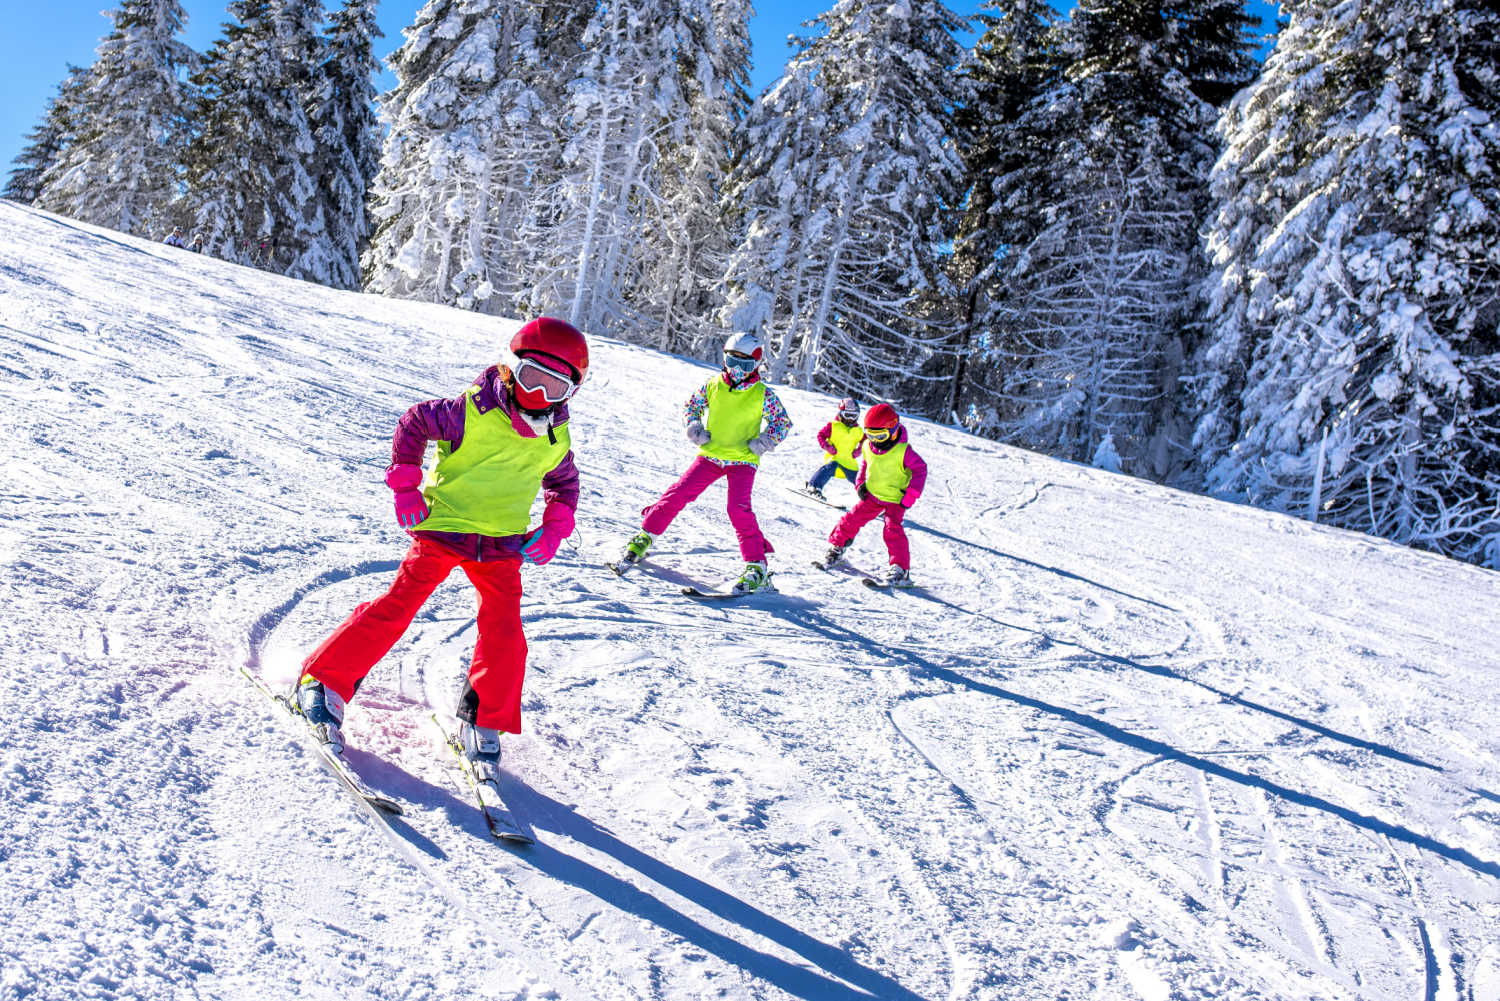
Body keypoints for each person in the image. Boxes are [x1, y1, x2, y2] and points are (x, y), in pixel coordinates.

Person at [291, 317, 589, 779]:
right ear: (511, 367)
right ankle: (322, 680)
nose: (540, 395)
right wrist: (406, 483)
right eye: (533, 377)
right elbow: (414, 422)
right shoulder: (469, 410)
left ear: (570, 394)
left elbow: (564, 482)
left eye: (556, 388)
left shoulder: (555, 436)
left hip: (502, 544)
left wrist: (555, 524)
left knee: (506, 631)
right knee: (398, 605)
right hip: (443, 528)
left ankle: (484, 718)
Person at [617, 331, 791, 593]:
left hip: (743, 461)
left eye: (743, 365)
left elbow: (782, 422)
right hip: (711, 455)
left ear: (755, 364)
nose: (735, 370)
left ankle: (757, 567)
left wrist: (764, 441)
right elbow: (692, 405)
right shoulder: (713, 385)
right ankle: (645, 536)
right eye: (730, 362)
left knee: (738, 509)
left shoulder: (762, 394)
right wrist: (694, 426)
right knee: (678, 493)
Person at [818, 403, 927, 586]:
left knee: (892, 530)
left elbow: (920, 470)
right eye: (870, 435)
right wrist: (860, 483)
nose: (875, 440)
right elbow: (865, 465)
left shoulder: (903, 451)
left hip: (895, 500)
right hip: (873, 495)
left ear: (893, 430)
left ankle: (900, 570)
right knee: (850, 519)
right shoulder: (868, 446)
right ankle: (837, 548)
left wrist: (909, 497)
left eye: (880, 436)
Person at [804, 397, 863, 501]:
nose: (850, 419)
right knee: (827, 470)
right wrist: (828, 447)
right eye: (847, 415)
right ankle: (813, 487)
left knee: (860, 481)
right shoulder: (833, 426)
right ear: (841, 413)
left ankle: (872, 501)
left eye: (854, 416)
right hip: (834, 458)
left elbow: (866, 442)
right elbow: (821, 435)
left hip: (849, 462)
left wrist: (859, 451)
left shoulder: (858, 430)